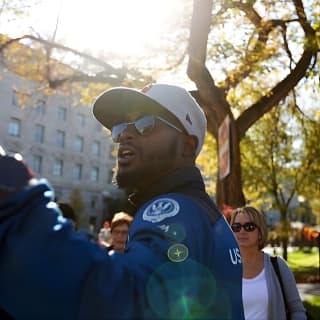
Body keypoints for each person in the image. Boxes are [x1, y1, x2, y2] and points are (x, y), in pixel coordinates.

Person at [0, 83, 244, 319]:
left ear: (187, 146)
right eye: (120, 128)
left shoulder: (177, 210)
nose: (125, 135)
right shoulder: (199, 210)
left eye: (145, 124)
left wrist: (13, 205)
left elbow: (125, 298)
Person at [230, 206, 307, 320]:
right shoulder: (224, 267)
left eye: (249, 227)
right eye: (236, 227)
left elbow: (297, 310)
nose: (242, 231)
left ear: (260, 233)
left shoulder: (277, 266)